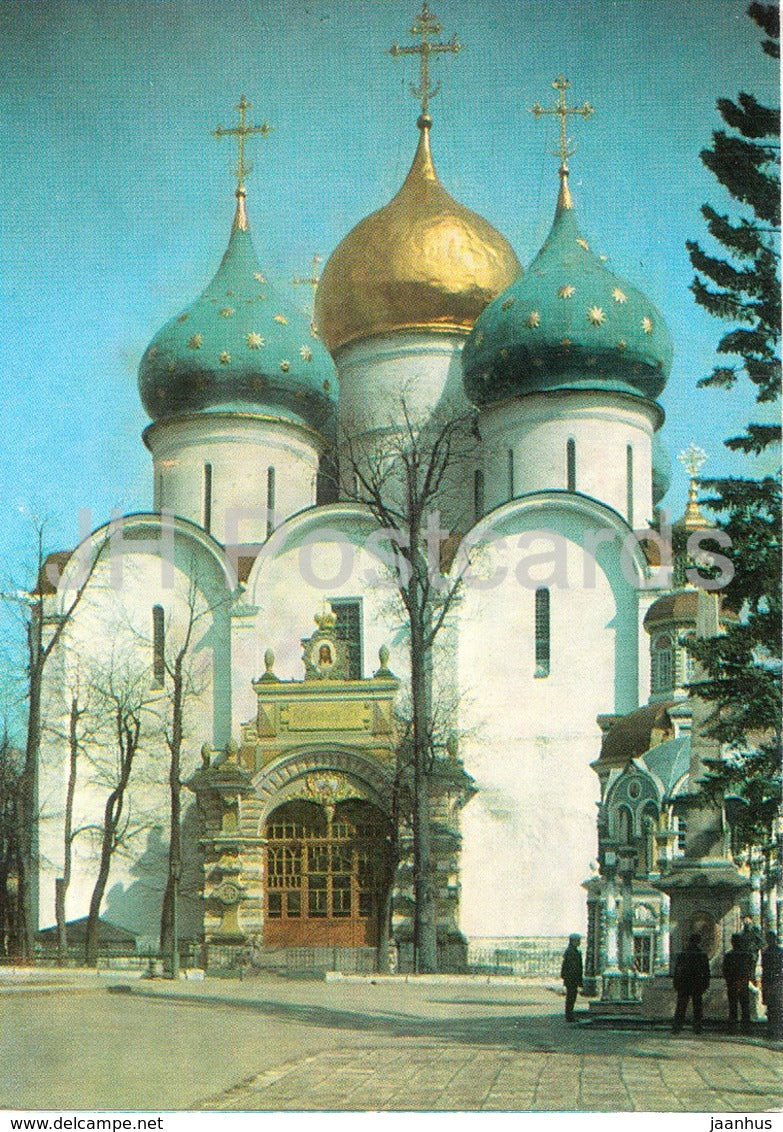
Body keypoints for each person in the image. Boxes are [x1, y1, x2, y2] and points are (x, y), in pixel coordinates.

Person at [672, 932, 711, 1034]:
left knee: (681, 1006)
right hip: (696, 983)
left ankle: (677, 1027)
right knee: (697, 1007)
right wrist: (705, 984)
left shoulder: (683, 954)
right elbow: (706, 972)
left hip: (684, 984)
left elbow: (677, 971)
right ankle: (697, 1028)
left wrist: (676, 983)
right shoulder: (701, 955)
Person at [722, 933, 754, 1032]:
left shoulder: (729, 955)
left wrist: (729, 980)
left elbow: (725, 970)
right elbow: (750, 969)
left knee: (733, 1006)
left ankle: (733, 1027)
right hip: (743, 982)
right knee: (744, 1006)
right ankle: (746, 1028)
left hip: (733, 983)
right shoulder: (747, 954)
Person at [760, 930, 783, 1041]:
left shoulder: (768, 952)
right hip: (775, 981)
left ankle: (774, 1030)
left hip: (773, 981)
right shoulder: (778, 951)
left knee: (774, 1007)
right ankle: (774, 1030)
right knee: (775, 1007)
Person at [560, 933, 583, 1023]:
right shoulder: (571, 952)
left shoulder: (572, 951)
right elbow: (573, 967)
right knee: (571, 997)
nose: (579, 942)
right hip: (572, 979)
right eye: (578, 940)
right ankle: (569, 1015)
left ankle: (569, 1015)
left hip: (571, 979)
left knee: (571, 997)